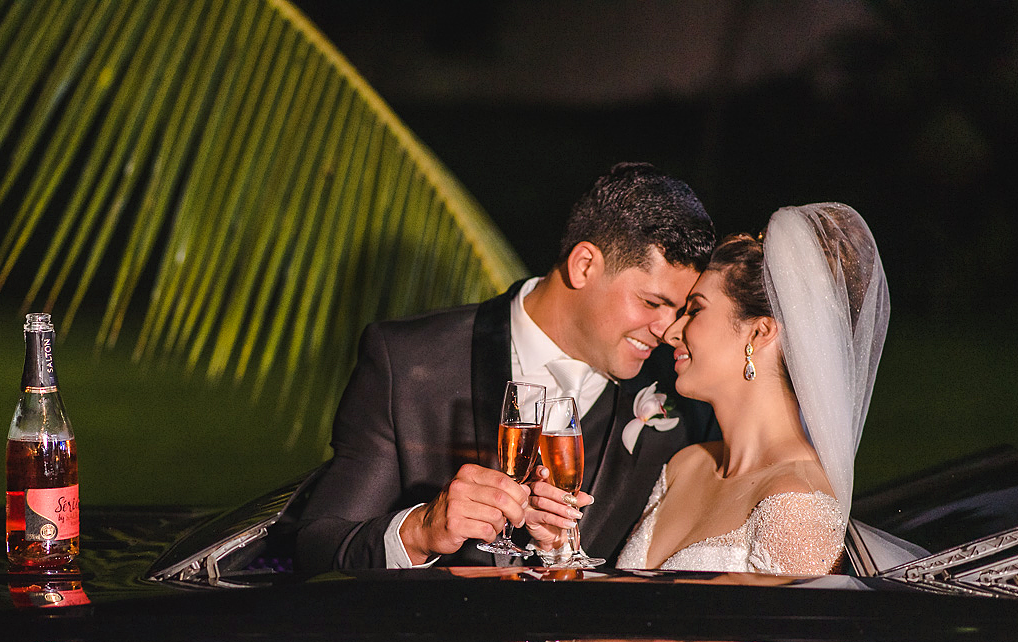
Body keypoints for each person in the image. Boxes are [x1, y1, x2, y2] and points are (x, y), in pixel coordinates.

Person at [292, 162, 718, 573]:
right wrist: (422, 530)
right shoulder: (407, 361)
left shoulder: (687, 406)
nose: (667, 330)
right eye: (651, 303)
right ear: (584, 265)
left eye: (679, 309)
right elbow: (317, 546)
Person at [615, 203, 890, 575]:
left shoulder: (797, 503)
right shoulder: (684, 466)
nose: (669, 332)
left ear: (760, 332)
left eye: (695, 311)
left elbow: (800, 633)